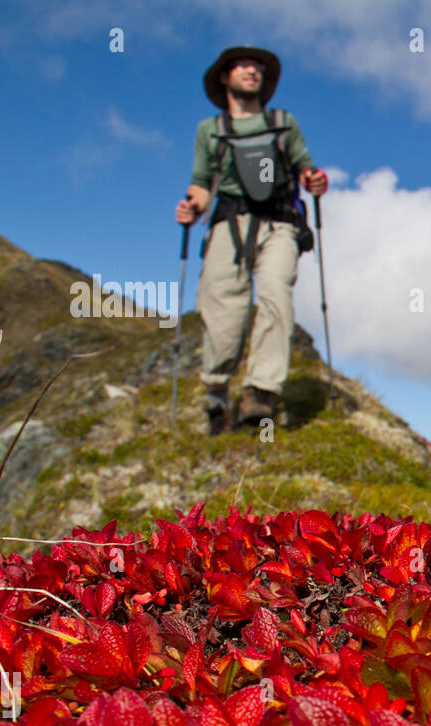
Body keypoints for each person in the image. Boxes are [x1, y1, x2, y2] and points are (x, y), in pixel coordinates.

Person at [174, 45, 329, 434]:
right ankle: (216, 392)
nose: (252, 70)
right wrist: (193, 207)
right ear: (225, 77)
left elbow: (306, 170)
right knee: (224, 308)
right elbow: (202, 183)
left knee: (276, 293)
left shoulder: (283, 123)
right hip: (229, 223)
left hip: (280, 223)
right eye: (242, 65)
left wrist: (315, 181)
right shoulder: (210, 131)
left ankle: (261, 393)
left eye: (257, 66)